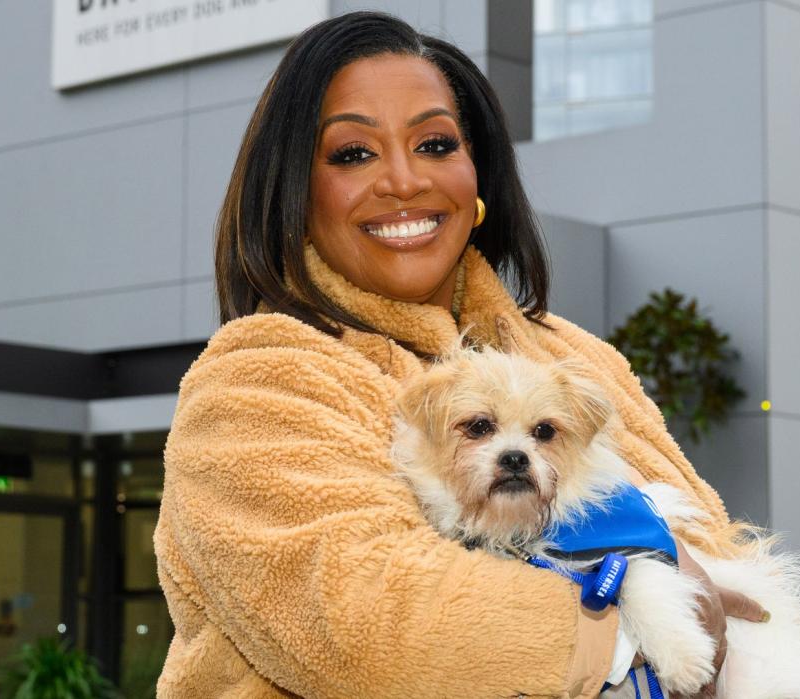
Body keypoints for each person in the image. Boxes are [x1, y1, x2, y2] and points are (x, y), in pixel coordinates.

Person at [155, 10, 765, 698]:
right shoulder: (256, 379)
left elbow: (726, 565)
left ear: (477, 180)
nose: (403, 180)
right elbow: (371, 626)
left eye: (436, 144)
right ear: (295, 193)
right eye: (353, 153)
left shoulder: (579, 357)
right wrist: (638, 625)